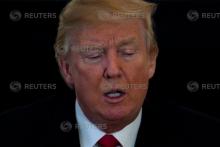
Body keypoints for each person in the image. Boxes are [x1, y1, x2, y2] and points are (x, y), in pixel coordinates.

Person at [1, 0, 220, 146]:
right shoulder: (11, 134)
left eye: (127, 52)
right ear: (66, 69)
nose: (113, 70)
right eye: (94, 55)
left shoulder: (206, 137)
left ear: (151, 60)